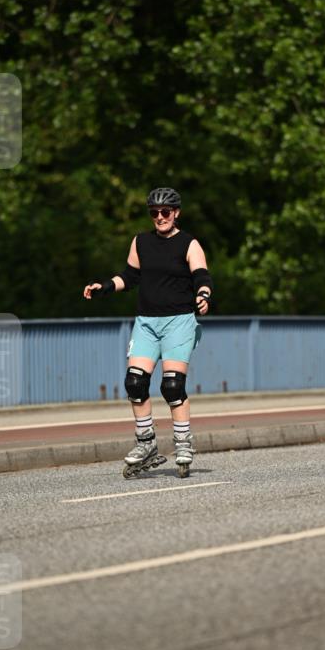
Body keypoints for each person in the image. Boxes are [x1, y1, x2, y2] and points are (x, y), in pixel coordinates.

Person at [83, 187, 212, 478]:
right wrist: (103, 286)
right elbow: (129, 277)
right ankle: (146, 444)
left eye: (165, 212)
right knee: (135, 382)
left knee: (172, 386)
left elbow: (202, 275)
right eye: (154, 212)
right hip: (146, 323)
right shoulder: (140, 242)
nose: (160, 217)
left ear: (176, 213)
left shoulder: (189, 243)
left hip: (179, 321)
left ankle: (182, 443)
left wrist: (204, 295)